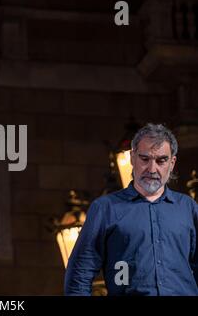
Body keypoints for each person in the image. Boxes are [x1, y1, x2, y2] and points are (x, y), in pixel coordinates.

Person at [65, 123, 198, 296]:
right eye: (145, 159)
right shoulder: (105, 209)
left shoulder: (188, 208)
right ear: (132, 158)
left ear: (172, 163)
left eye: (161, 160)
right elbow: (79, 275)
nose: (152, 169)